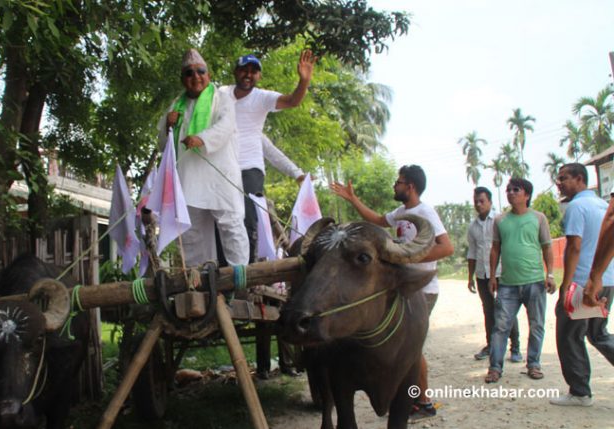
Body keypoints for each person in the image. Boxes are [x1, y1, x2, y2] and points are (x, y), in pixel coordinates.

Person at [218, 51, 316, 379]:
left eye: (253, 71)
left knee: (246, 218)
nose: (248, 75)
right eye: (243, 69)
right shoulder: (220, 96)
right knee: (221, 218)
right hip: (223, 168)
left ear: (258, 76)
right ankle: (222, 270)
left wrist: (303, 82)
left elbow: (291, 102)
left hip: (249, 170)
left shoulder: (261, 100)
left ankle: (241, 277)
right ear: (235, 72)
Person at [330, 164, 453, 422]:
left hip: (421, 287)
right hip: (400, 285)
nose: (394, 186)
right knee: (402, 346)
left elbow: (447, 248)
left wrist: (407, 257)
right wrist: (352, 199)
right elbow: (376, 220)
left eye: (398, 182)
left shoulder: (425, 211)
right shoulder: (401, 212)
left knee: (411, 349)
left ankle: (423, 401)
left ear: (410, 186)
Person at [156, 48, 248, 268]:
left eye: (200, 71)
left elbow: (225, 127)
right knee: (191, 231)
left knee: (231, 225)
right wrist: (168, 124)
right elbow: (162, 144)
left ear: (208, 74)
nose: (195, 76)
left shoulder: (222, 99)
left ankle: (241, 275)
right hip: (189, 180)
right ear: (183, 79)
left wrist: (202, 139)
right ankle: (199, 278)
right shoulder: (175, 106)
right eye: (189, 73)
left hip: (220, 177)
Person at [550, 163, 614, 406]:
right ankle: (579, 390)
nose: (559, 183)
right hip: (607, 279)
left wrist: (566, 285)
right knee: (598, 333)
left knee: (568, 335)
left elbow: (574, 247)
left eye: (563, 178)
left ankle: (579, 392)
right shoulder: (602, 204)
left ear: (579, 179)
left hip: (584, 282)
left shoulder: (576, 206)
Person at [485, 177, 556, 384]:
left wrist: (550, 274)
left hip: (535, 281)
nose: (511, 192)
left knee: (537, 325)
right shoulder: (500, 220)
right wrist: (492, 276)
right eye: (508, 189)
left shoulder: (538, 218)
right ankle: (495, 368)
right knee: (500, 326)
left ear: (526, 195)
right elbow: (495, 249)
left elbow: (547, 247)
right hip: (507, 284)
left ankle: (533, 364)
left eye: (516, 189)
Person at [467, 187, 522, 363]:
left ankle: (515, 348)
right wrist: (470, 277)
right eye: (476, 201)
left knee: (506, 311)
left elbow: (509, 246)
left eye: (482, 201)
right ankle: (491, 345)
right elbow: (472, 252)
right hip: (482, 275)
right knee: (488, 310)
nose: (478, 204)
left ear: (490, 202)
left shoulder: (501, 221)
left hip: (501, 273)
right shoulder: (473, 226)